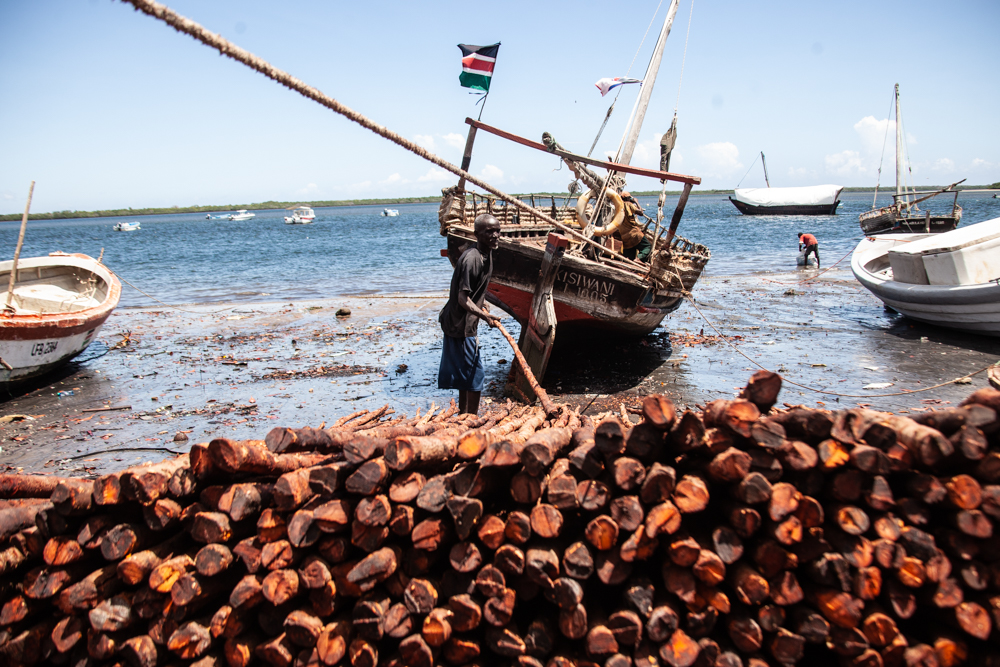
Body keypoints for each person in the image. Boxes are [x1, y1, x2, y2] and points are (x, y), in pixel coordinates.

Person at [438, 214, 502, 415]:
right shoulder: (472, 259)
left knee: (466, 375)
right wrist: (485, 317)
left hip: (466, 322)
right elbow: (462, 299)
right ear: (477, 235)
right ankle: (471, 420)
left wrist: (483, 304)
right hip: (459, 325)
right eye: (489, 231)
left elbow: (476, 290)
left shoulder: (487, 252)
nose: (495, 235)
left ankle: (463, 417)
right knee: (475, 374)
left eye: (497, 230)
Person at [618, 192, 653, 262]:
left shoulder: (618, 206)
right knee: (647, 246)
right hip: (634, 234)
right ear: (628, 198)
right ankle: (638, 258)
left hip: (624, 236)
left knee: (628, 257)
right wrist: (636, 202)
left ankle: (628, 265)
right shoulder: (629, 204)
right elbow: (641, 212)